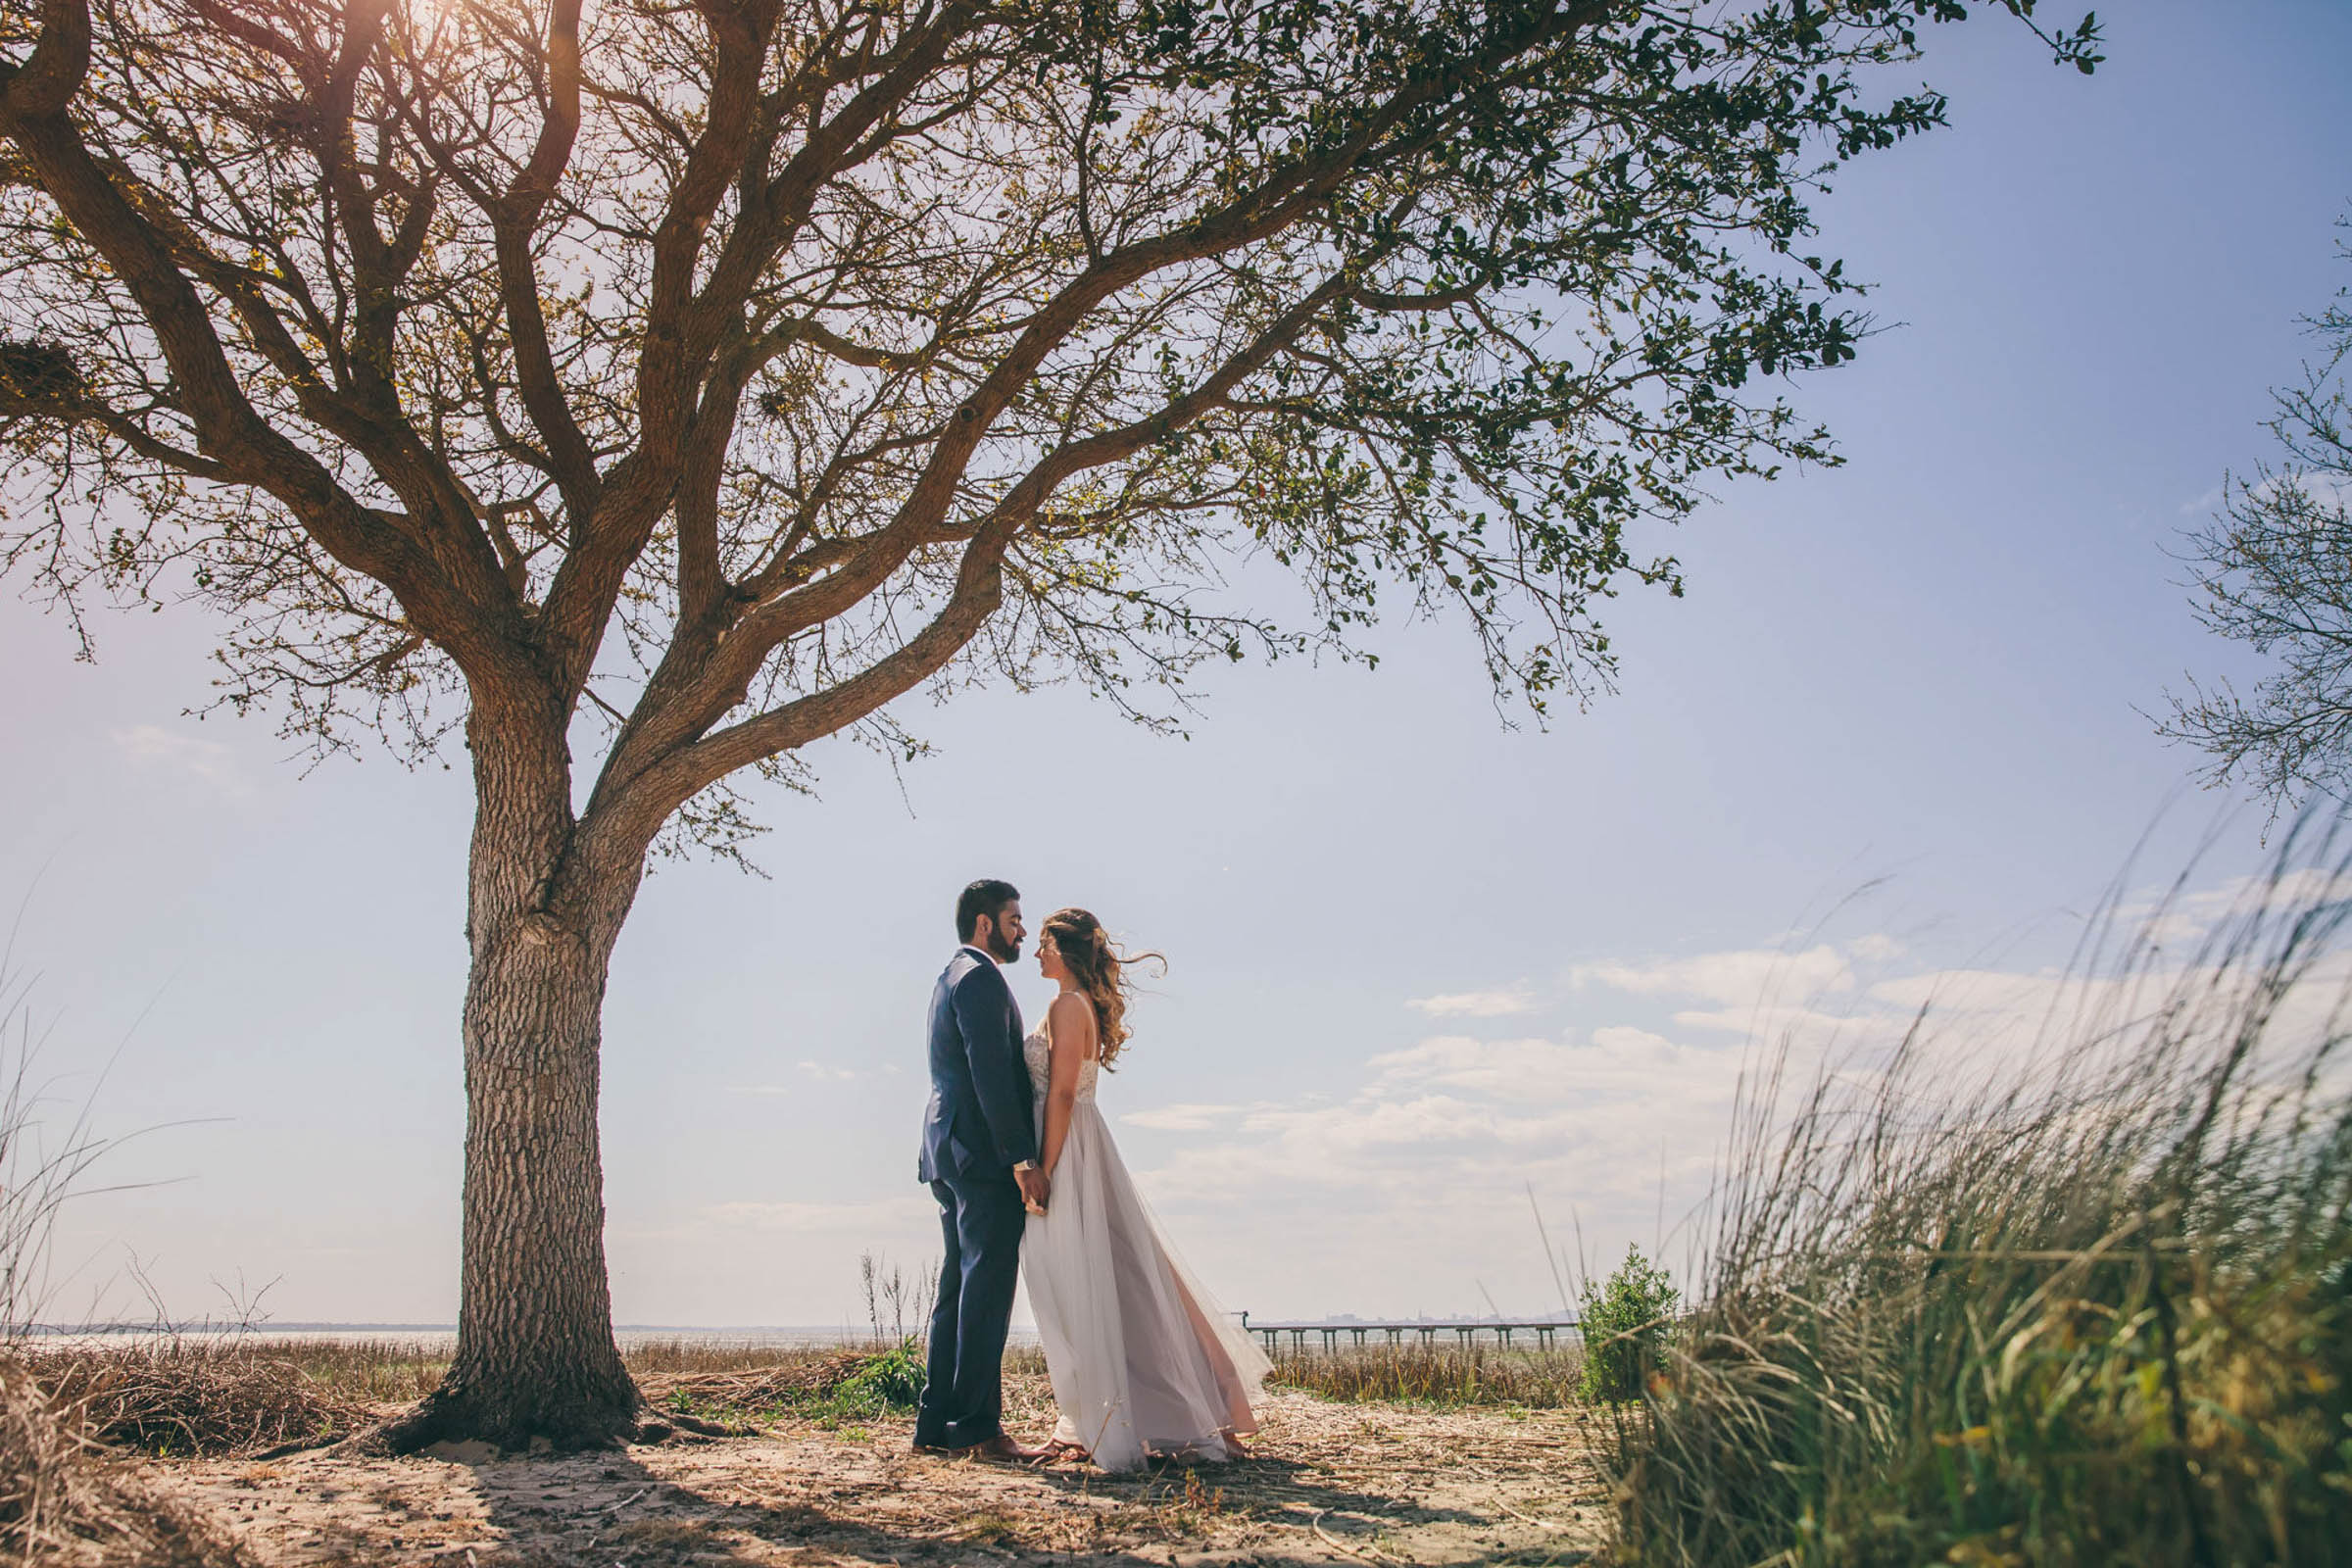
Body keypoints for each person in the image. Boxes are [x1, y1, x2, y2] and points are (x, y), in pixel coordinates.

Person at [1018, 906, 1268, 1470]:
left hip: (1070, 1150)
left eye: (1044, 945)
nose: (1036, 954)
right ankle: (1105, 1413)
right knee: (1115, 1280)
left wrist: (1045, 1169)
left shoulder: (1066, 1006)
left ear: (1066, 951)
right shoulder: (1075, 1004)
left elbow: (1060, 1096)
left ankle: (1114, 1417)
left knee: (1089, 1282)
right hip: (1080, 1144)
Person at [913, 878, 1053, 1459]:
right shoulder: (979, 979)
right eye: (1014, 918)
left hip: (948, 1153)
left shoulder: (950, 977)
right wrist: (1021, 1158)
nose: (1023, 929)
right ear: (983, 923)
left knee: (959, 1289)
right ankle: (977, 1429)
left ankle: (935, 1426)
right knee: (986, 1290)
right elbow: (990, 1076)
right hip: (980, 1156)